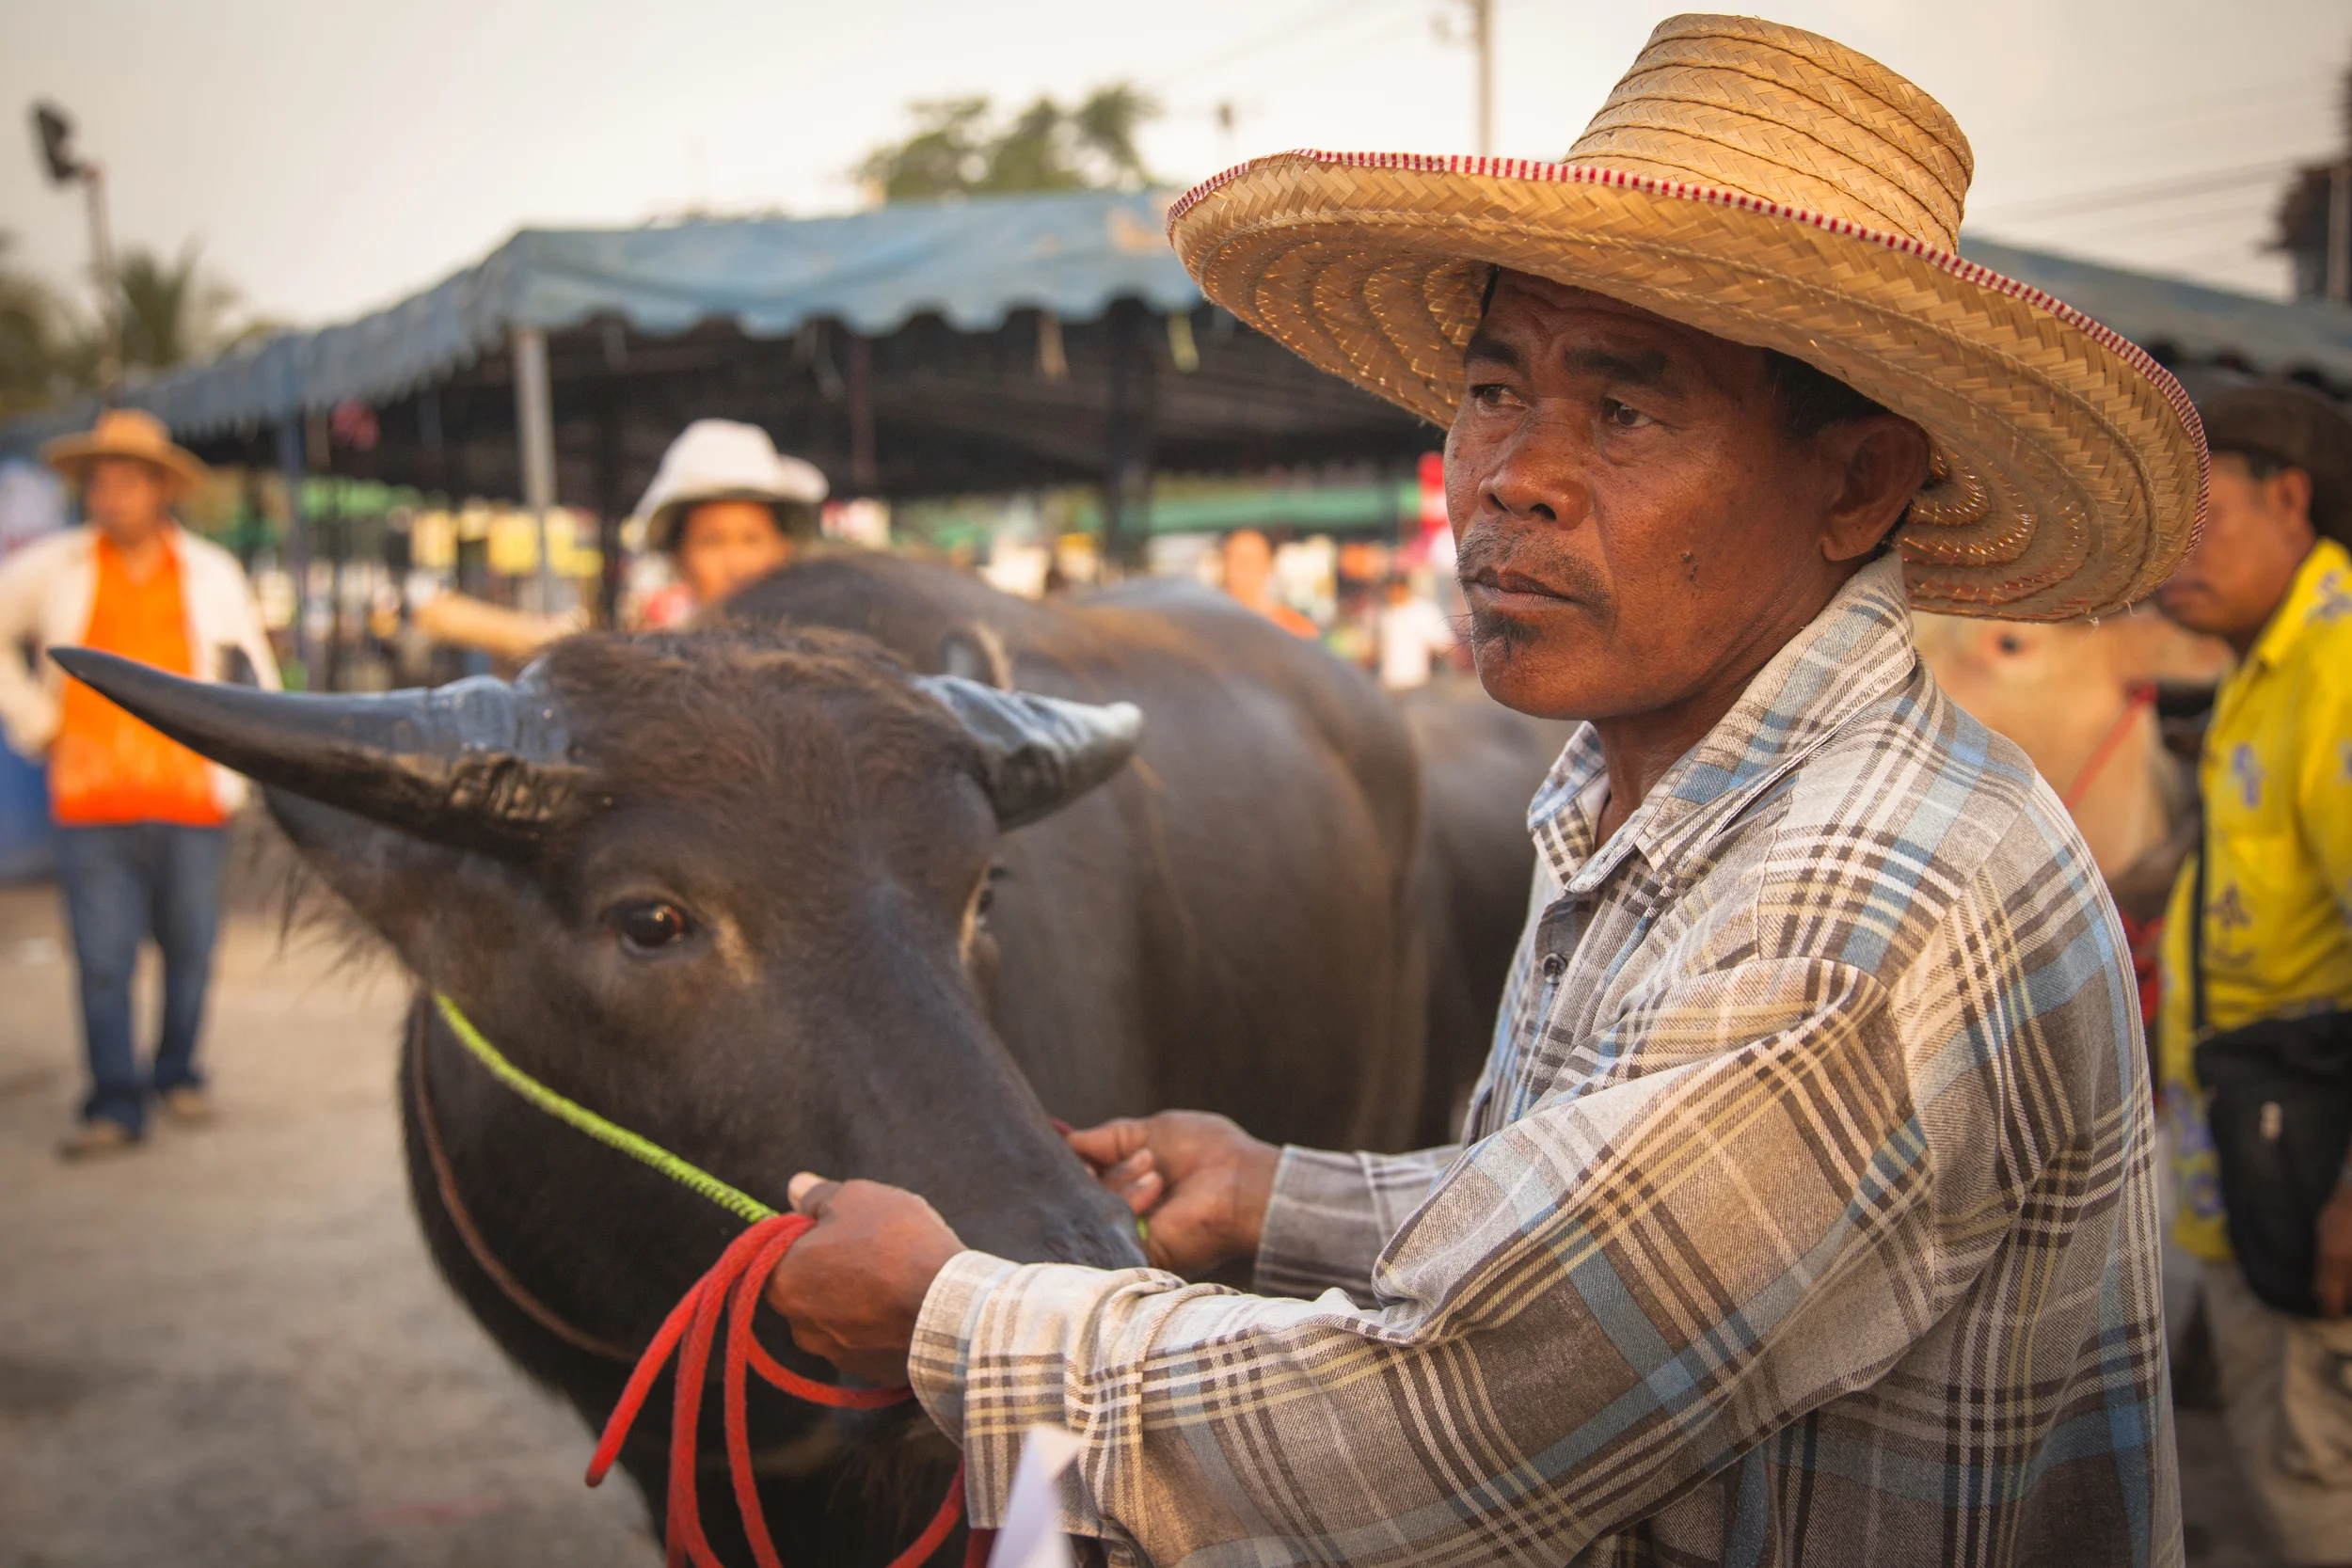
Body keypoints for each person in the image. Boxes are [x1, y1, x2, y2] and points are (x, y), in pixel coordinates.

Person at [760, 18, 2199, 1563]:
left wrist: (950, 1315)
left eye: (1626, 413)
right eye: (1495, 388)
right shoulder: (1646, 786)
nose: (1513, 475)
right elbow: (1595, 1225)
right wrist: (1277, 1195)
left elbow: (1460, 1406)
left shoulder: (1861, 901)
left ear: (1858, 481)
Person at [2153, 380, 2352, 1567]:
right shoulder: (2265, 667)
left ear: (2289, 499)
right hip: (2252, 1159)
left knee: (2309, 1483)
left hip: (2308, 1170)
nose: (2173, 550)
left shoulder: (2335, 672)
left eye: (2201, 514)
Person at [0, 409, 278, 1159]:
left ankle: (177, 1070)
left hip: (191, 799)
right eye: (100, 482)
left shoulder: (212, 573)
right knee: (102, 959)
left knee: (191, 949)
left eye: (127, 481)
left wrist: (257, 765)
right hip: (90, 799)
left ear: (160, 489)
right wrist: (35, 718)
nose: (111, 496)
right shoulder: (54, 568)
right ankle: (115, 1100)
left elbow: (250, 674)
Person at [629, 419, 827, 628]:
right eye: (712, 542)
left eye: (752, 540)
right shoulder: (656, 644)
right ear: (678, 557)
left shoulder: (823, 638)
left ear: (783, 548)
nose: (737, 567)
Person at [1217, 527, 1317, 639]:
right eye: (1234, 558)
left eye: (1250, 559)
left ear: (1268, 566)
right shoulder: (1212, 626)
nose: (1243, 566)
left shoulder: (1295, 627)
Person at [1374, 574, 1456, 690]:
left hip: (1418, 683)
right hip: (1389, 683)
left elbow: (1446, 644)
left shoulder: (1422, 611)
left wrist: (1432, 654)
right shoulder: (1384, 614)